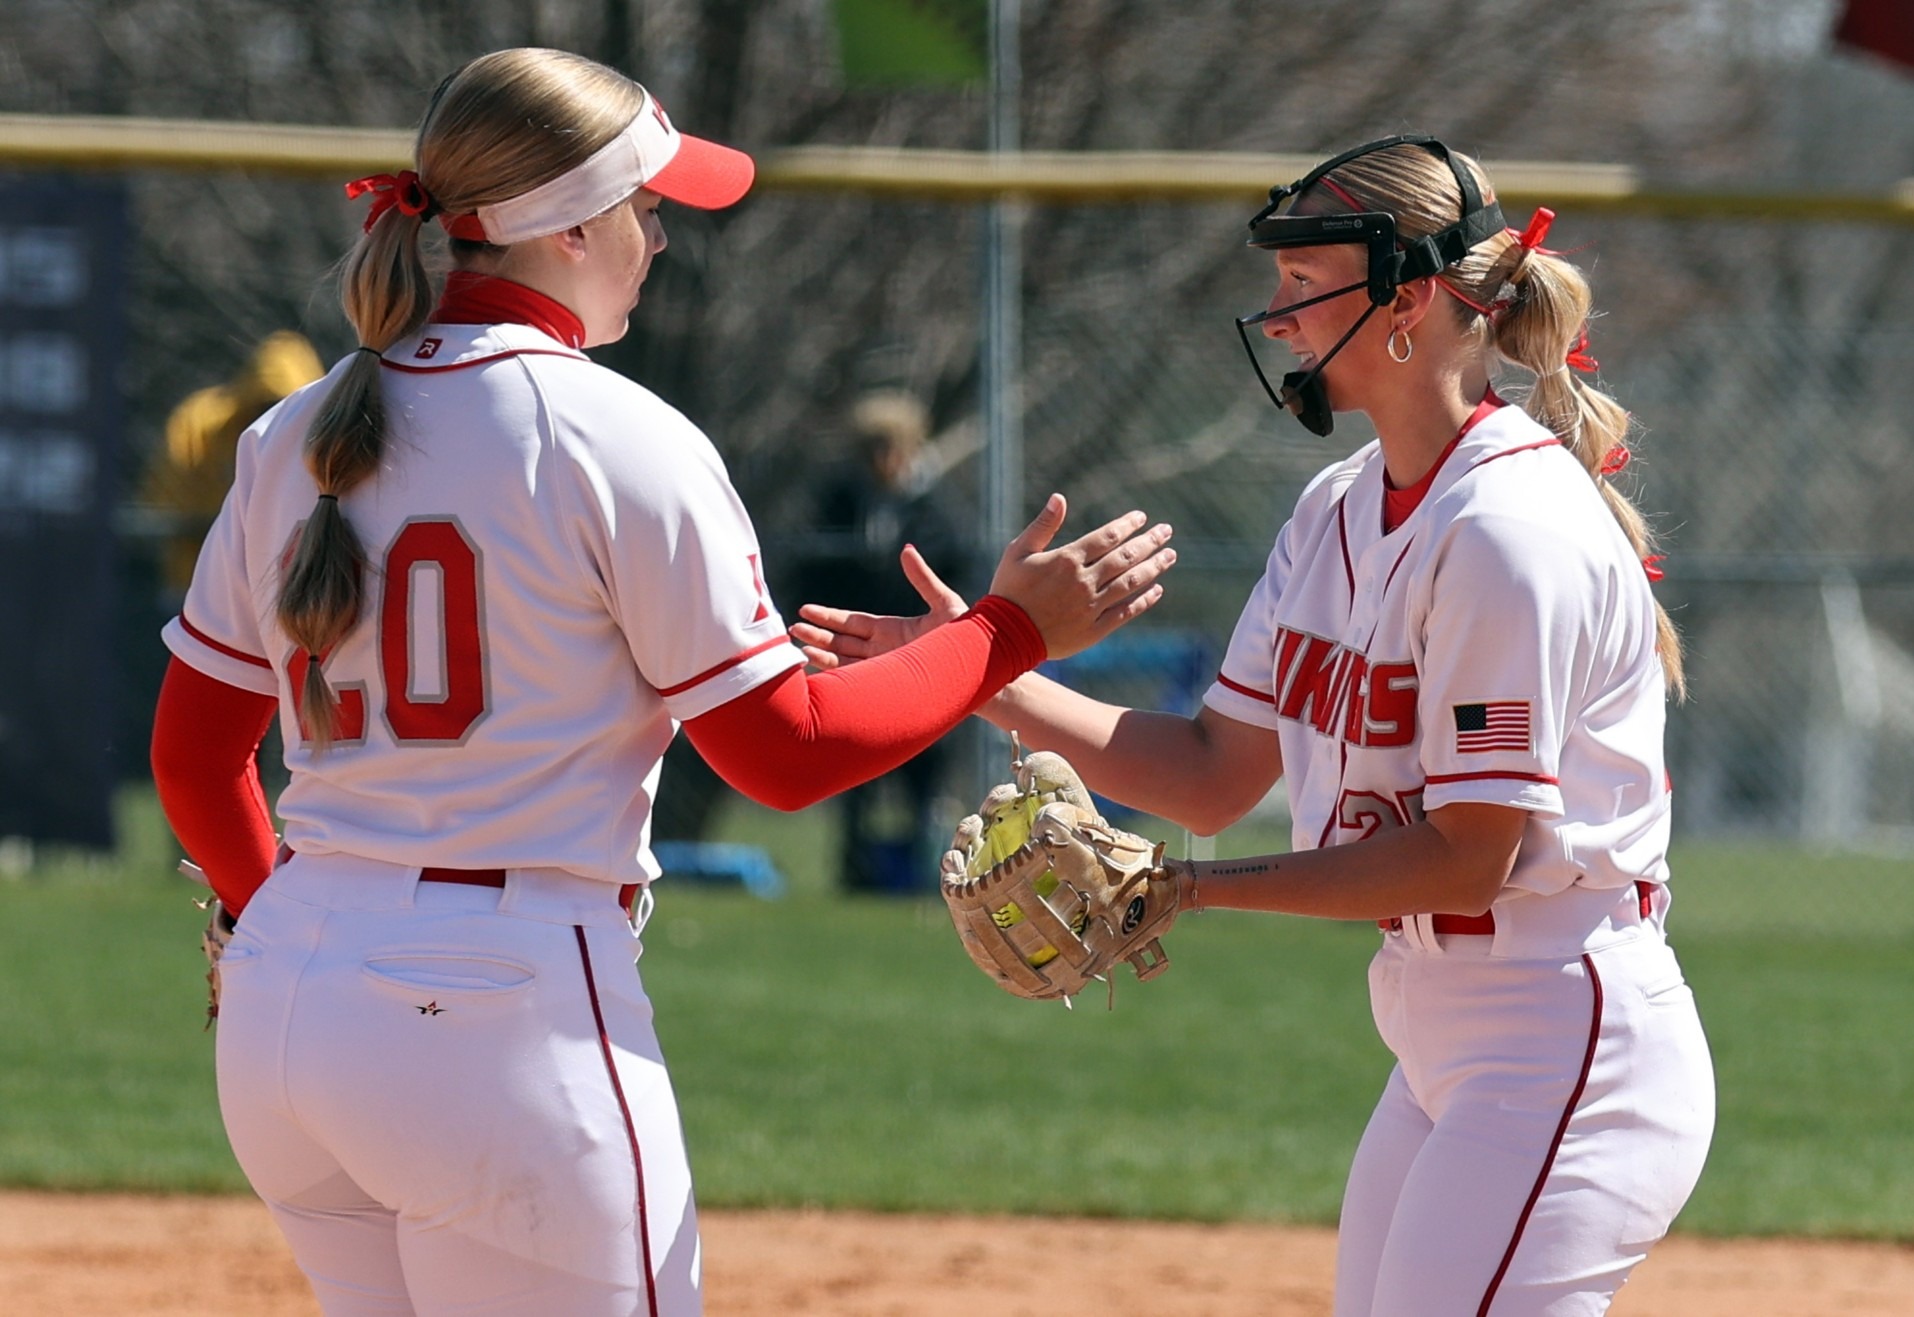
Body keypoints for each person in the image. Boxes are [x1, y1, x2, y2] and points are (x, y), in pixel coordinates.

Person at [147, 47, 1175, 1317]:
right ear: (568, 227)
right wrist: (1011, 633)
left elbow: (195, 761)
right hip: (502, 1012)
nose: (658, 235)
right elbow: (784, 753)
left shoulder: (288, 433)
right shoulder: (616, 434)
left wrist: (288, 926)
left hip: (291, 1011)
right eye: (644, 207)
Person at [793, 135, 1715, 1315]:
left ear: (1410, 300)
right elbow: (1215, 774)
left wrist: (1183, 892)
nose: (1275, 316)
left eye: (1303, 282)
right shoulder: (1336, 510)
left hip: (1559, 1029)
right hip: (1445, 1033)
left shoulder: (1506, 532)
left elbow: (1469, 857)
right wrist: (982, 675)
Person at [785, 388, 966, 891]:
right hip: (853, 659)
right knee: (854, 771)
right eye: (873, 449)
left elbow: (955, 568)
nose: (884, 460)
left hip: (921, 658)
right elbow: (807, 571)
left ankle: (931, 875)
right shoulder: (839, 504)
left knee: (924, 775)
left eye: (894, 447)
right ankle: (855, 874)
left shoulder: (934, 509)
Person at [140, 329, 325, 596]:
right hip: (202, 584)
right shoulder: (201, 423)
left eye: (285, 407)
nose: (271, 419)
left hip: (296, 589)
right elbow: (166, 508)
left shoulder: (332, 431)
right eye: (265, 406)